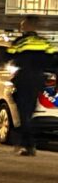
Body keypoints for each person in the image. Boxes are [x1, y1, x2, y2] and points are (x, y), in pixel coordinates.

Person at [7, 16, 58, 156]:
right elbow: (55, 61)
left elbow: (8, 58)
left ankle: (27, 144)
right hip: (38, 81)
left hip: (23, 80)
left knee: (23, 113)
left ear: (28, 26)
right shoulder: (44, 43)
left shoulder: (20, 43)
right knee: (29, 111)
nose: (21, 28)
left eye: (23, 25)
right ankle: (27, 143)